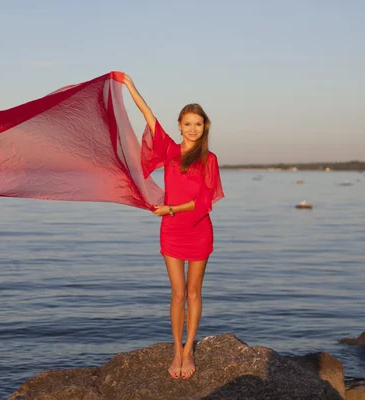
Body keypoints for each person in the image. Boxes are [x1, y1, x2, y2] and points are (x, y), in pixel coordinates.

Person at [122, 74, 225, 380]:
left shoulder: (209, 158)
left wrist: (170, 208)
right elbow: (148, 116)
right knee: (177, 293)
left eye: (198, 123)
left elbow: (204, 200)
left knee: (194, 292)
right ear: (179, 125)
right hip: (171, 231)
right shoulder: (168, 151)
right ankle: (176, 350)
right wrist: (129, 86)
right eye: (187, 123)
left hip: (198, 229)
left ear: (204, 127)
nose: (193, 128)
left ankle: (190, 348)